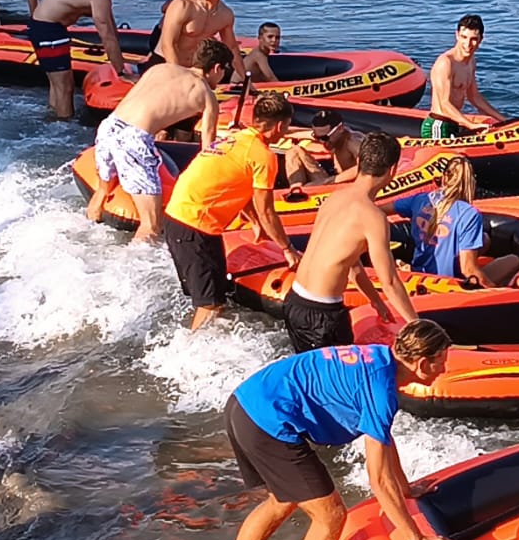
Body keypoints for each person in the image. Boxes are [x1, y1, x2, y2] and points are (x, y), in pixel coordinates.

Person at [216, 321, 457, 540]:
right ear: (423, 364)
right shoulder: (381, 392)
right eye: (442, 362)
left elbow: (384, 440)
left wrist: (404, 488)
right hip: (267, 421)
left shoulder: (380, 359)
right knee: (330, 516)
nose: (444, 369)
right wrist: (416, 539)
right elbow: (378, 480)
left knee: (283, 501)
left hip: (244, 404)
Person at [164, 91, 300, 328]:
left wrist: (254, 222)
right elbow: (267, 209)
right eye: (287, 125)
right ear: (280, 125)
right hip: (193, 225)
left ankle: (202, 342)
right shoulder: (264, 156)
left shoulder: (237, 138)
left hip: (182, 218)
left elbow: (240, 186)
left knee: (216, 299)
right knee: (209, 304)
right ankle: (190, 353)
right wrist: (287, 249)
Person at [281, 131, 420, 353]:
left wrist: (375, 301)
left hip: (295, 301)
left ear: (359, 162)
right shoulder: (373, 217)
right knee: (337, 382)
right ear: (392, 170)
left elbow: (351, 264)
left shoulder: (334, 198)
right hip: (322, 314)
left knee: (312, 375)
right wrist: (416, 325)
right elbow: (390, 281)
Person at [89, 38, 234, 243]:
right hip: (134, 140)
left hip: (109, 126)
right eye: (223, 72)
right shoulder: (206, 95)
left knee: (101, 194)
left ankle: (86, 237)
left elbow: (151, 102)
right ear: (217, 68)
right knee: (152, 226)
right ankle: (129, 272)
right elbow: (206, 152)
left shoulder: (161, 69)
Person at [27, 0, 140, 119]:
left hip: (48, 27)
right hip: (48, 28)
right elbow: (106, 36)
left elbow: (111, 28)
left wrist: (122, 61)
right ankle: (64, 128)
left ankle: (54, 119)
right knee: (65, 86)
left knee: (58, 84)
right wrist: (122, 73)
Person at [393, 156, 519, 286]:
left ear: (444, 178)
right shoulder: (468, 214)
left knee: (484, 239)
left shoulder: (420, 200)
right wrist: (495, 290)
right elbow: (468, 270)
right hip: (451, 284)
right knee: (513, 260)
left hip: (419, 273)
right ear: (471, 183)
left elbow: (380, 209)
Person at [150, 0, 246, 82]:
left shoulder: (225, 15)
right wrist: (179, 78)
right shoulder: (182, 6)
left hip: (194, 69)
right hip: (165, 64)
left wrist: (246, 81)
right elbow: (168, 45)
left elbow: (232, 48)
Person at [423, 13, 503, 138]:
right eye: (464, 37)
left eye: (473, 39)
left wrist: (503, 119)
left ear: (481, 39)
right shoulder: (446, 63)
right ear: (457, 36)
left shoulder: (471, 62)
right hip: (439, 124)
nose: (468, 44)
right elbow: (444, 103)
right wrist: (470, 125)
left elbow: (474, 97)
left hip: (454, 123)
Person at [284, 107, 361, 188]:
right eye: (317, 137)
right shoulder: (329, 135)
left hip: (348, 188)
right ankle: (296, 190)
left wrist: (327, 182)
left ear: (340, 128)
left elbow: (367, 168)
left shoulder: (353, 142)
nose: (322, 142)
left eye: (324, 138)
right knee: (294, 151)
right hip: (331, 181)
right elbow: (288, 132)